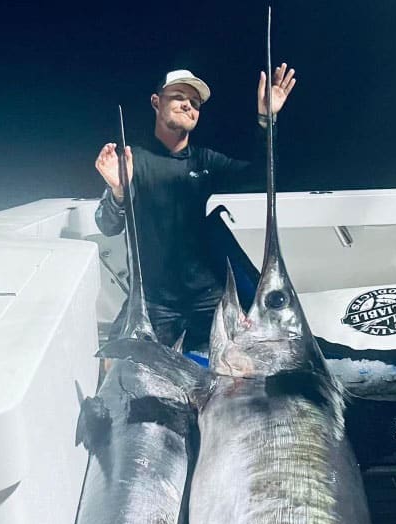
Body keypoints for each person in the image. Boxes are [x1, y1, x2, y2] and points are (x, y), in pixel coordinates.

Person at [94, 64, 296, 350]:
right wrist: (117, 191)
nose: (188, 105)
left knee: (259, 358)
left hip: (208, 298)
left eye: (196, 103)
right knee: (119, 366)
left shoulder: (205, 161)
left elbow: (262, 176)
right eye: (178, 96)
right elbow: (107, 225)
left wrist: (267, 119)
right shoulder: (132, 161)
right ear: (156, 102)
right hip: (154, 303)